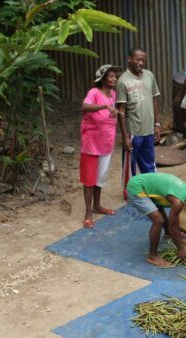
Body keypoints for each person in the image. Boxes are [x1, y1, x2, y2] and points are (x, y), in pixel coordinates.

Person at [126, 173, 186, 267]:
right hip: (137, 188)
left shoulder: (183, 191)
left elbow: (174, 224)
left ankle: (167, 233)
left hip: (144, 186)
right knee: (158, 220)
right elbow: (174, 226)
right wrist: (180, 248)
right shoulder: (178, 202)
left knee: (160, 209)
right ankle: (152, 256)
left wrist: (175, 236)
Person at [79, 64, 122, 229]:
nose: (114, 79)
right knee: (89, 178)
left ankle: (97, 205)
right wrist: (104, 106)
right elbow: (85, 107)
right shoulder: (94, 93)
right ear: (102, 78)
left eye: (114, 76)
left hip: (106, 142)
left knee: (100, 177)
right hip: (91, 142)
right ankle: (88, 212)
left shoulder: (113, 94)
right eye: (110, 76)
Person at [116, 48, 161, 200]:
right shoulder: (123, 81)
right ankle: (130, 191)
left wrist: (157, 124)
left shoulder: (149, 76)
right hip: (133, 131)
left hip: (148, 129)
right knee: (130, 164)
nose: (141, 63)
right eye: (137, 59)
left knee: (149, 162)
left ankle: (152, 187)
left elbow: (155, 99)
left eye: (143, 60)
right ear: (130, 59)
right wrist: (125, 136)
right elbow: (120, 110)